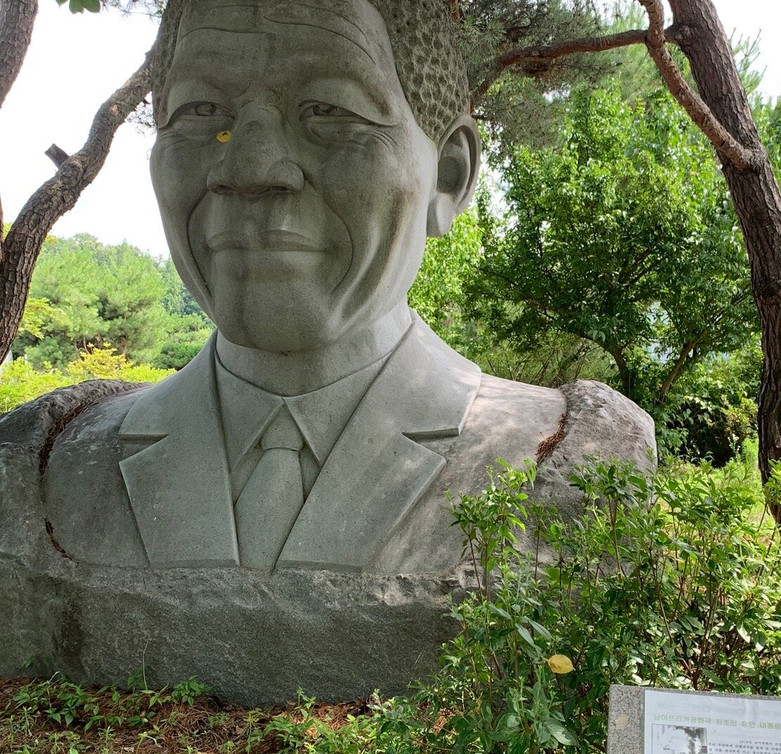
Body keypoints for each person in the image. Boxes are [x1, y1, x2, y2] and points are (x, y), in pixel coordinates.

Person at [1, 0, 654, 574]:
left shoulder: (573, 458)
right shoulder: (43, 464)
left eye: (328, 109)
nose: (248, 168)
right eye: (199, 110)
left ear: (448, 178)